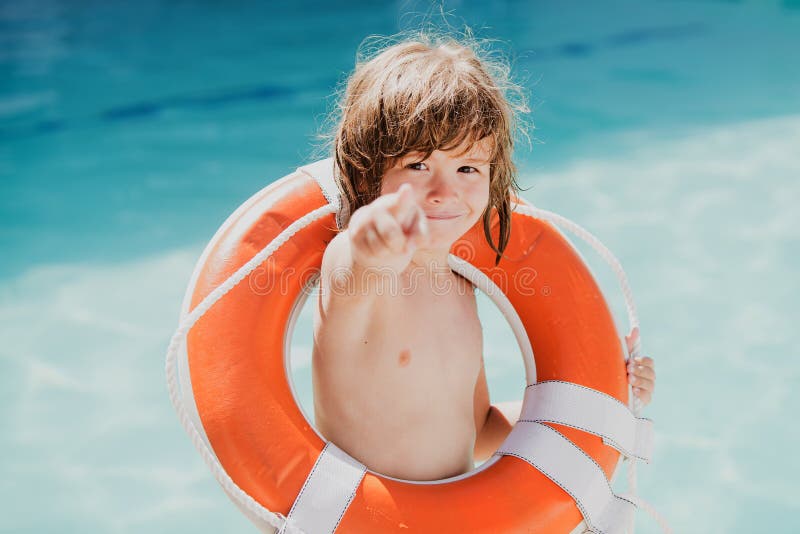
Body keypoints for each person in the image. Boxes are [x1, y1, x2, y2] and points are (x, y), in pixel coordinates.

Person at [311, 32, 656, 482]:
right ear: (367, 170)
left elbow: (478, 431)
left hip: (451, 517)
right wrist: (372, 238)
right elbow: (353, 271)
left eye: (467, 168)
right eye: (418, 165)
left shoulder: (460, 283)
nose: (444, 192)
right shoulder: (362, 269)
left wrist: (601, 397)